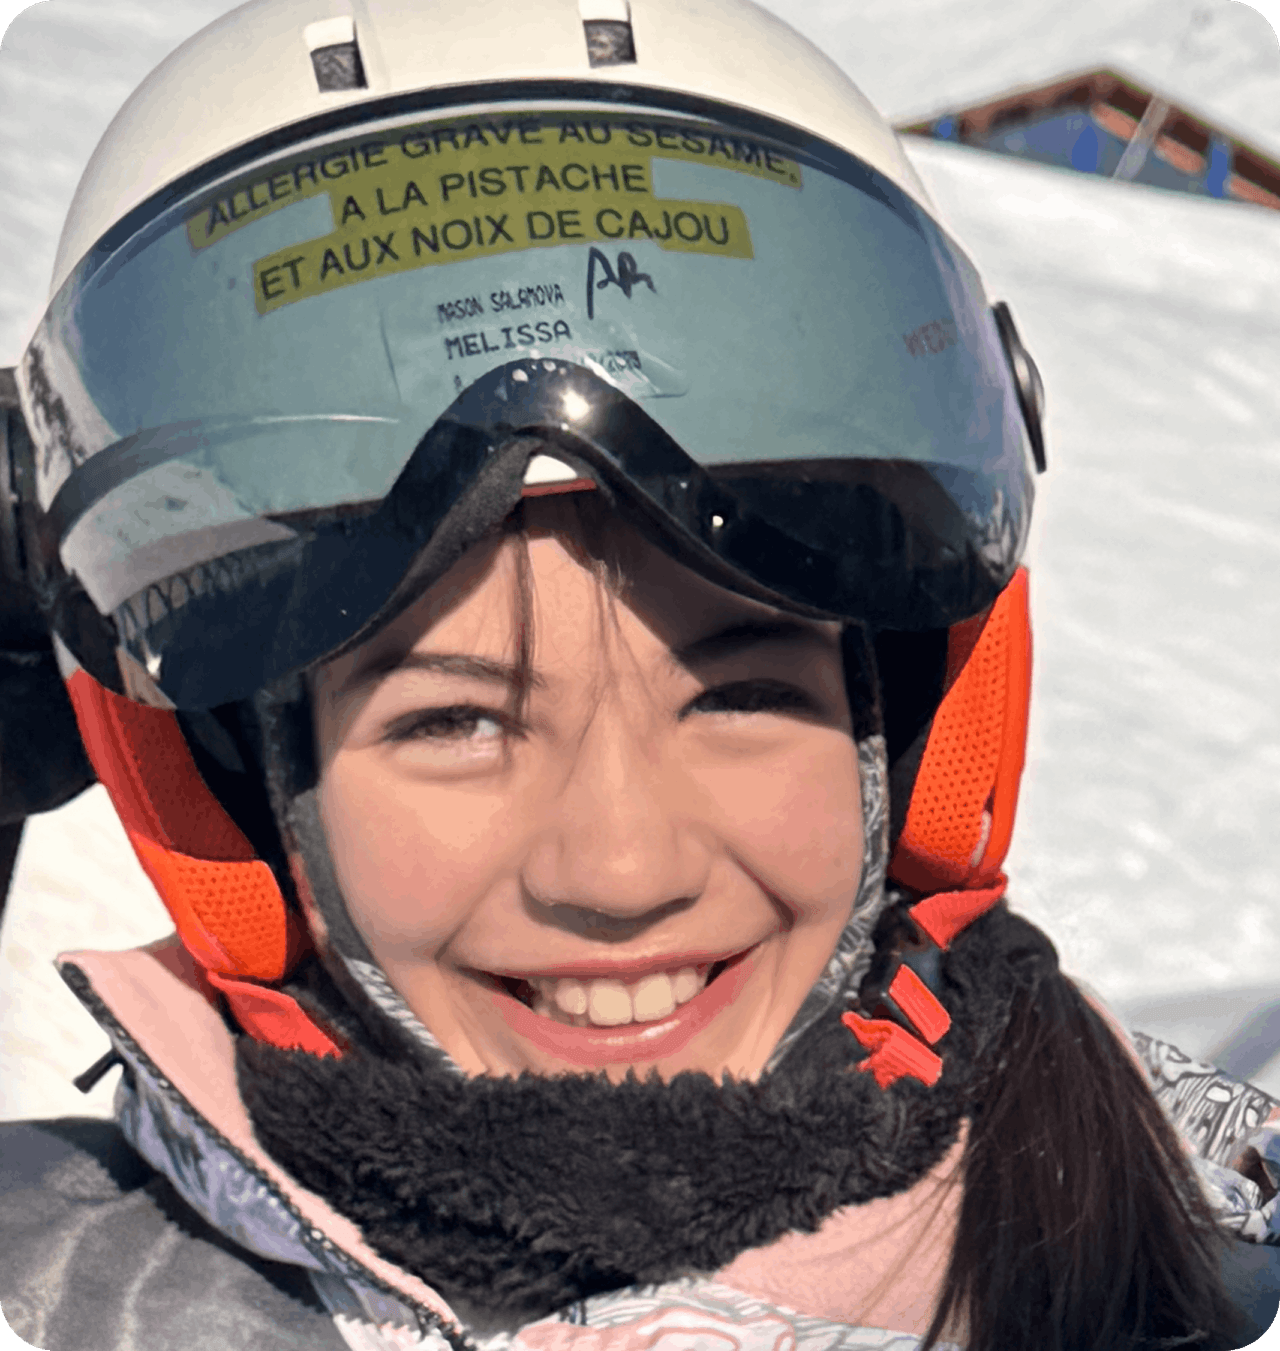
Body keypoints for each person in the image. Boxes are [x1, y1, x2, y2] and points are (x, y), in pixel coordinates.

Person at [0, 1, 1277, 1348]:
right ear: (248, 794)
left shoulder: (1196, 1258)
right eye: (453, 719)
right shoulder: (63, 1283)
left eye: (739, 695)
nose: (619, 870)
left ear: (896, 744)